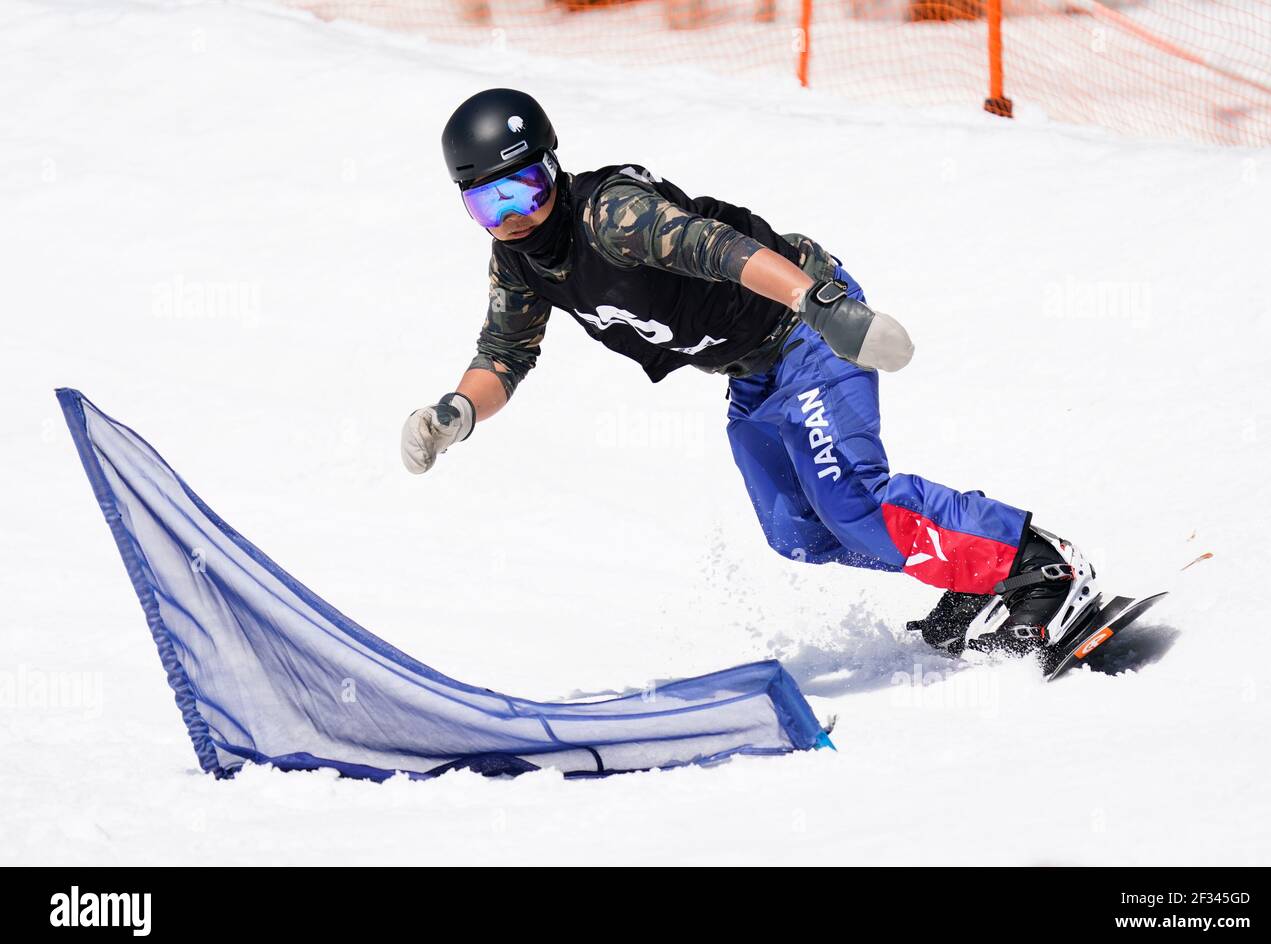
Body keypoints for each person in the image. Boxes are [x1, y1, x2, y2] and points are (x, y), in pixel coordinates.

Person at [401, 88, 1096, 655]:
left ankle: (1036, 564)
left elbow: (720, 249)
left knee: (852, 500)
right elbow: (505, 353)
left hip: (805, 328)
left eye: (525, 188)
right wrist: (455, 413)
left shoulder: (613, 215)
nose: (514, 216)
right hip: (751, 369)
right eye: (489, 203)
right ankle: (971, 569)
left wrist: (822, 306)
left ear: (553, 168)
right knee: (798, 531)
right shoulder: (518, 262)